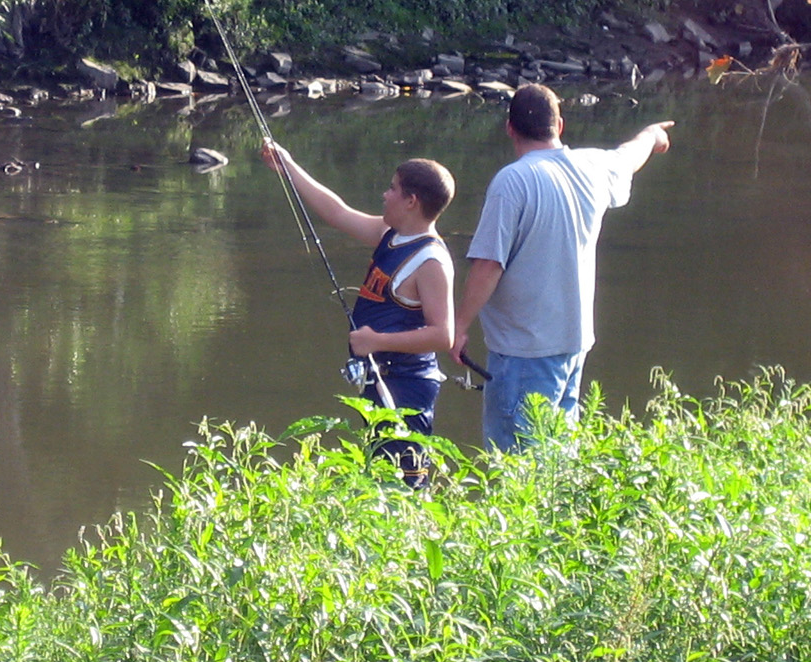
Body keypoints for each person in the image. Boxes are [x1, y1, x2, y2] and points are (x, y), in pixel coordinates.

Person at [452, 83, 674, 452]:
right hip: (572, 346)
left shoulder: (513, 181)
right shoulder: (592, 166)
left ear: (510, 128)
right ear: (560, 125)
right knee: (557, 464)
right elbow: (628, 155)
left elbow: (489, 264)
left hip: (523, 352)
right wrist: (651, 136)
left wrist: (458, 327)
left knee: (517, 471)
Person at [262, 139, 456, 482]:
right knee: (377, 476)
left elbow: (443, 335)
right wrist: (288, 167)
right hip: (378, 378)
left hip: (407, 387)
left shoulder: (431, 261)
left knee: (404, 483)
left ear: (411, 201)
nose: (385, 194)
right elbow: (336, 212)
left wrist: (375, 340)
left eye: (392, 189)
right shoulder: (390, 234)